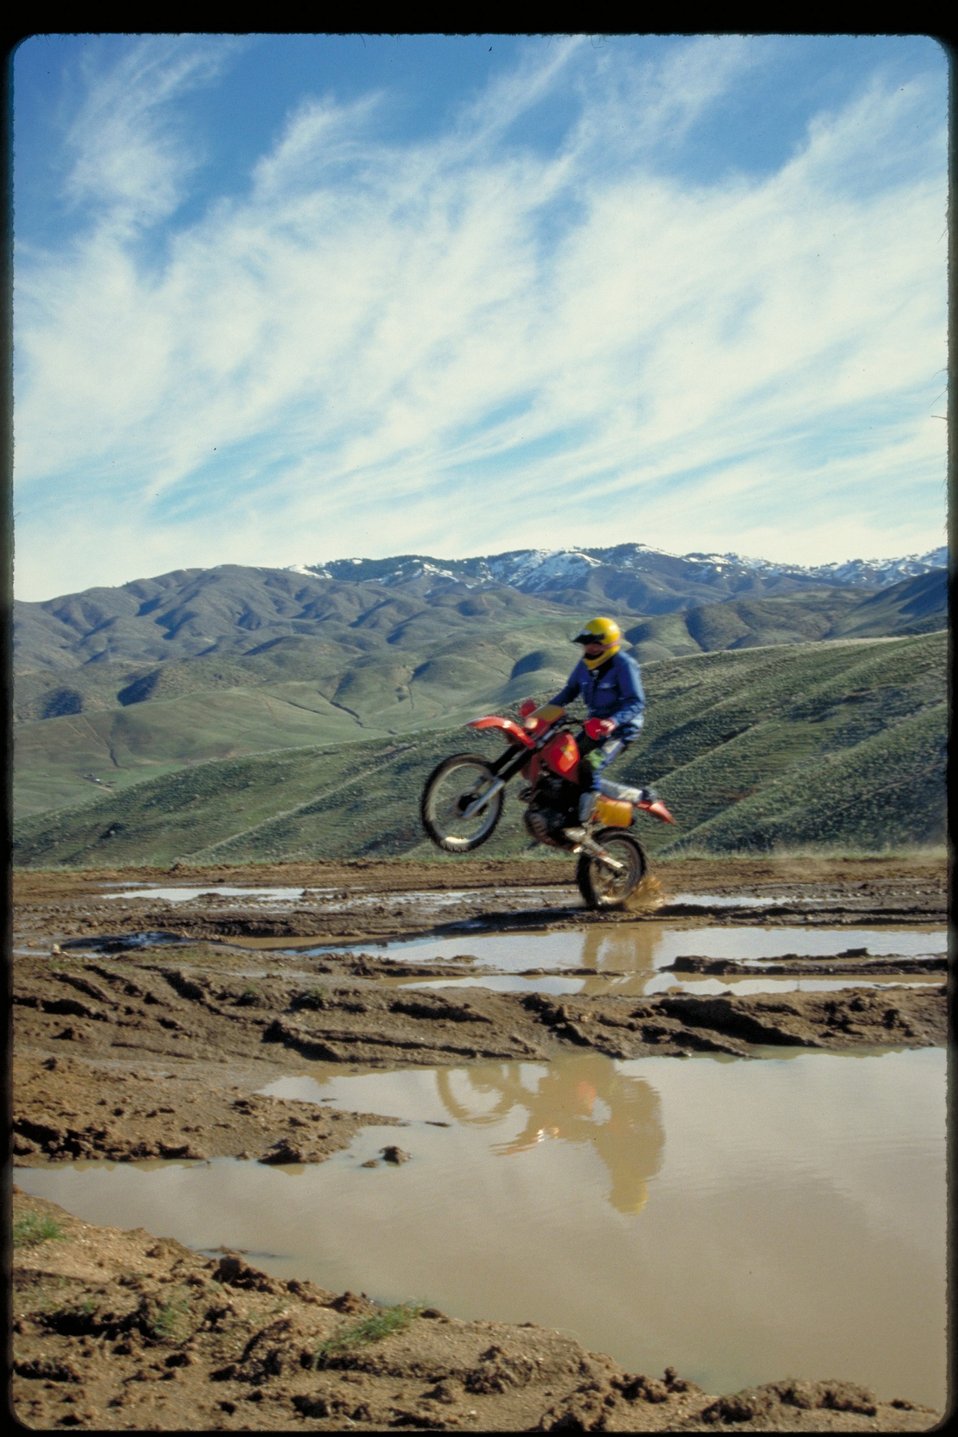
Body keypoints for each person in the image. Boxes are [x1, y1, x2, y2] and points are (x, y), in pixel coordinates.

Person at [531, 616, 655, 837]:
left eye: (595, 642)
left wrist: (614, 721)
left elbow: (636, 701)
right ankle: (560, 814)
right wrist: (539, 716)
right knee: (562, 763)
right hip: (593, 729)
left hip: (621, 732)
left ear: (609, 643)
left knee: (589, 766)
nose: (589, 646)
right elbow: (569, 692)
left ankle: (583, 822)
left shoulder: (624, 665)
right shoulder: (584, 665)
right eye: (586, 642)